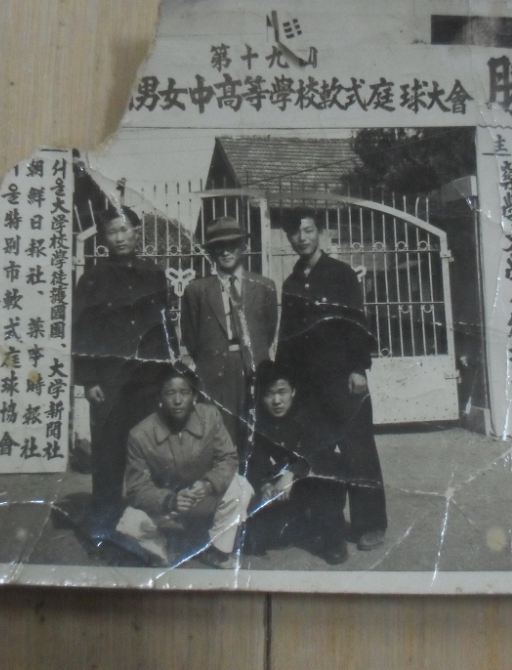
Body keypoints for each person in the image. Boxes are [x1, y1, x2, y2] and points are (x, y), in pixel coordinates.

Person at [275, 207, 388, 551]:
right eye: (296, 233)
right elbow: (288, 337)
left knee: (358, 453)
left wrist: (358, 368)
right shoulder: (291, 283)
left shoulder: (341, 274)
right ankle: (326, 524)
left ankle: (371, 525)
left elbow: (357, 324)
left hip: (343, 381)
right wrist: (284, 379)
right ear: (289, 238)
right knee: (317, 454)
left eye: (309, 230)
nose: (303, 238)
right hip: (309, 386)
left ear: (319, 233)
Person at [71, 206, 177, 535]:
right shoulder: (92, 279)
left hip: (147, 381)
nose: (119, 237)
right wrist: (89, 380)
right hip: (109, 383)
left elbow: (165, 329)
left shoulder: (154, 275)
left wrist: (170, 374)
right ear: (104, 238)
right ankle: (103, 525)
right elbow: (82, 332)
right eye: (112, 231)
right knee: (108, 455)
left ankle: (148, 523)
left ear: (136, 232)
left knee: (149, 452)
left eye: (125, 229)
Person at [122, 363, 253, 568]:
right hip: (168, 508)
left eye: (184, 392)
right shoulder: (140, 435)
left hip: (203, 500)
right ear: (159, 398)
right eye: (170, 393)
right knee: (129, 522)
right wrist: (170, 500)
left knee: (241, 487)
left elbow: (228, 458)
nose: (177, 400)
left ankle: (217, 551)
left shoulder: (210, 417)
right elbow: (136, 488)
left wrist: (208, 484)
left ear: (194, 396)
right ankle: (163, 550)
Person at [180, 216, 278, 448]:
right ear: (211, 251)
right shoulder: (197, 290)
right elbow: (191, 338)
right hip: (215, 373)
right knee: (219, 438)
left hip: (253, 369)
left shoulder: (265, 287)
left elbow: (268, 329)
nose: (225, 252)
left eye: (232, 245)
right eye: (218, 246)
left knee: (255, 437)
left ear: (243, 246)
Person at [244, 361, 348, 564]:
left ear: (293, 391)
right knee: (256, 539)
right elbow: (255, 459)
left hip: (311, 479)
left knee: (329, 473)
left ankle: (335, 540)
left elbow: (322, 452)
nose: (276, 401)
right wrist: (265, 484)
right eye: (269, 394)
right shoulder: (259, 421)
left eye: (282, 392)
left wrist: (291, 473)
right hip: (283, 487)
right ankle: (302, 524)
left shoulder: (310, 413)